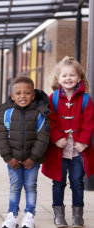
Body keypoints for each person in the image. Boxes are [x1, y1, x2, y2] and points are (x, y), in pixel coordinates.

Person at [42, 56, 94, 228]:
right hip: (59, 148)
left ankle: (78, 216)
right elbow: (49, 120)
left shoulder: (85, 99)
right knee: (58, 182)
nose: (68, 79)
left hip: (78, 148)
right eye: (64, 76)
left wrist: (84, 142)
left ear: (79, 78)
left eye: (72, 75)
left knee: (77, 181)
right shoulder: (53, 98)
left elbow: (89, 122)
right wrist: (56, 138)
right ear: (58, 79)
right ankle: (59, 215)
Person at [0, 76, 50, 228]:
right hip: (13, 160)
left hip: (32, 161)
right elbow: (1, 136)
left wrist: (33, 158)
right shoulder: (7, 113)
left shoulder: (40, 114)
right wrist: (8, 158)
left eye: (27, 93)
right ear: (12, 96)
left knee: (31, 186)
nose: (22, 96)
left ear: (33, 95)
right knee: (14, 186)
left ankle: (29, 215)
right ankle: (12, 214)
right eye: (18, 93)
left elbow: (43, 138)